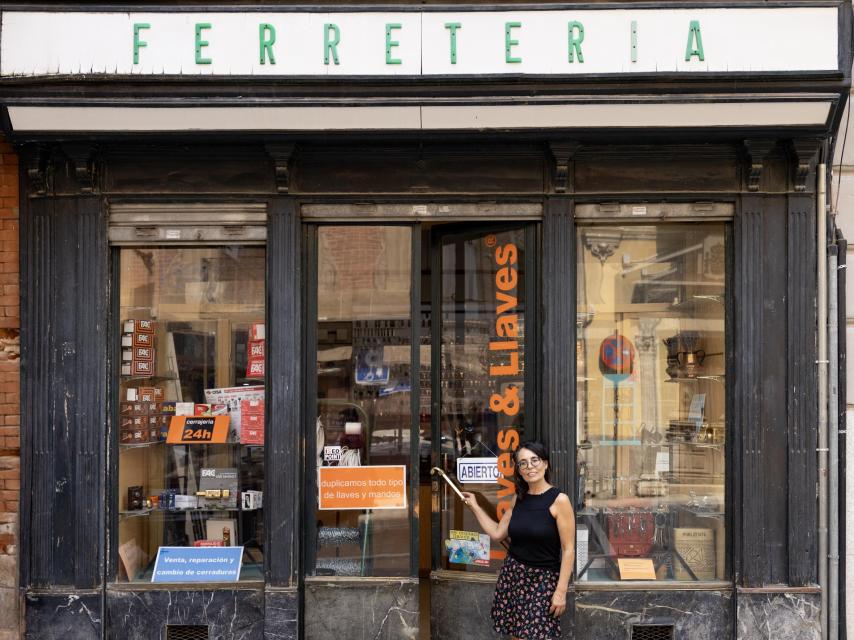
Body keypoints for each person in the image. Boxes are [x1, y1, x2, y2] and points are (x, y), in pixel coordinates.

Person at [462, 441, 575, 640]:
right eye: (523, 463)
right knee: (516, 636)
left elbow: (568, 550)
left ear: (545, 464)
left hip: (543, 581)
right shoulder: (519, 498)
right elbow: (498, 533)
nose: (530, 466)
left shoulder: (560, 500)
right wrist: (475, 507)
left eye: (535, 460)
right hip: (514, 576)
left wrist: (560, 591)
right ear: (519, 470)